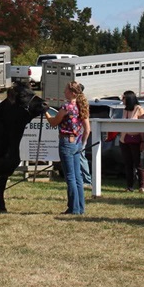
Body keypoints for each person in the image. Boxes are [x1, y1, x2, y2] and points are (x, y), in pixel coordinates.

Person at [45, 81, 88, 215]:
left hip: (66, 142)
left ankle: (73, 208)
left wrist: (45, 112)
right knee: (78, 177)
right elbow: (88, 129)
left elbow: (53, 122)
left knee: (70, 177)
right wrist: (83, 144)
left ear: (72, 93)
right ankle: (80, 207)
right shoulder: (82, 106)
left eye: (66, 90)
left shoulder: (66, 107)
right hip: (77, 142)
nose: (64, 92)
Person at [119, 90, 144, 192]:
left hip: (136, 140)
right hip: (124, 140)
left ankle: (141, 186)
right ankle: (129, 186)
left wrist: (143, 141)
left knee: (138, 163)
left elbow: (143, 126)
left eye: (124, 98)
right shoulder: (125, 110)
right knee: (128, 164)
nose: (122, 100)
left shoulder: (139, 109)